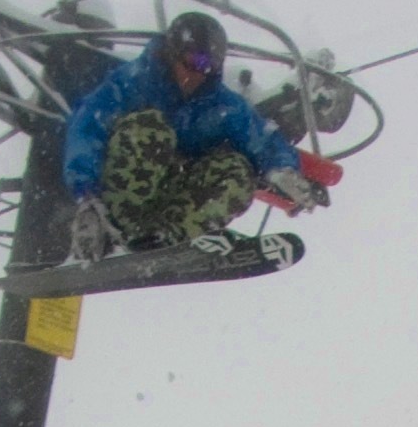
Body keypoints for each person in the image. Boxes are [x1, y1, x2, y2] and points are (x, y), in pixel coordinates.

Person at [61, 13, 338, 261]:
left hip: (165, 198)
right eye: (194, 61)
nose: (198, 73)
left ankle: (162, 238)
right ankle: (118, 232)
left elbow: (260, 138)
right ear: (172, 52)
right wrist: (87, 195)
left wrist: (282, 170)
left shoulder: (220, 105)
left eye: (209, 65)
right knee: (150, 129)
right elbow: (86, 129)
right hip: (119, 197)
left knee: (238, 171)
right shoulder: (132, 83)